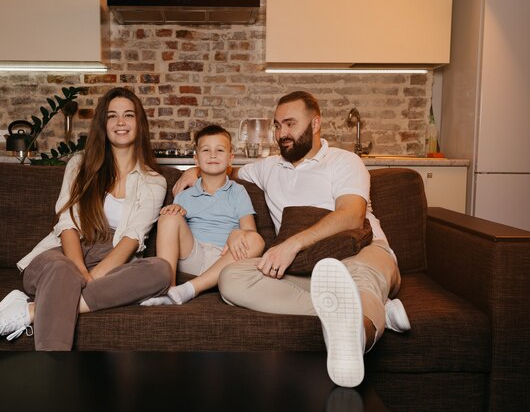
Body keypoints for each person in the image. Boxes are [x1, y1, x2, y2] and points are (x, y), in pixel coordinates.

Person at [173, 91, 410, 387]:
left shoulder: (344, 161)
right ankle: (373, 309)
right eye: (276, 125)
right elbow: (221, 169)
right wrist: (194, 171)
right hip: (304, 268)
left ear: (315, 123)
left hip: (359, 251)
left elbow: (351, 215)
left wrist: (292, 244)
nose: (281, 133)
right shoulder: (267, 167)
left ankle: (356, 336)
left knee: (358, 276)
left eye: (289, 124)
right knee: (232, 278)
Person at [0, 87, 172, 351]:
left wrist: (94, 276)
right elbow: (68, 223)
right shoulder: (79, 165)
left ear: (139, 123)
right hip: (66, 252)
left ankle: (28, 311)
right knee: (62, 270)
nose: (121, 122)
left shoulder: (155, 181)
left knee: (161, 271)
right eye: (112, 116)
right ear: (103, 124)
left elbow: (132, 238)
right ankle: (54, 372)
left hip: (112, 260)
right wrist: (79, 270)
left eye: (128, 115)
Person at [141, 125, 264, 306]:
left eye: (220, 150)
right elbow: (175, 231)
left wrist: (237, 233)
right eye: (206, 150)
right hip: (194, 256)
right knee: (169, 217)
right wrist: (173, 212)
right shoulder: (185, 194)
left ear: (230, 158)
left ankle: (189, 289)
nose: (213, 155)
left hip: (227, 259)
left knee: (257, 240)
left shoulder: (238, 192)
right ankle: (167, 289)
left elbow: (250, 232)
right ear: (196, 159)